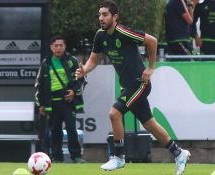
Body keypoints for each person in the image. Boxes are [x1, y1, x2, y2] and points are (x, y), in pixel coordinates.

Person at [75, 1, 190, 174]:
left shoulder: (124, 32)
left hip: (140, 83)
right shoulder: (100, 36)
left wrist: (151, 67)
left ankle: (119, 157)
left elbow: (152, 41)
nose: (101, 18)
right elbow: (94, 59)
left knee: (114, 113)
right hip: (127, 86)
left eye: (105, 14)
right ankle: (179, 153)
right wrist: (84, 70)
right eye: (99, 14)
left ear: (115, 17)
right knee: (149, 124)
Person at [35, 35, 86, 163]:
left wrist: (74, 92)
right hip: (51, 103)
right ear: (51, 47)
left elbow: (82, 79)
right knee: (55, 131)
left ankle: (76, 156)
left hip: (68, 101)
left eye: (61, 45)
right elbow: (39, 84)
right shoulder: (46, 62)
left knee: (71, 129)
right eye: (55, 46)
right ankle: (57, 158)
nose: (58, 48)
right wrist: (40, 104)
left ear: (65, 47)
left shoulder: (72, 60)